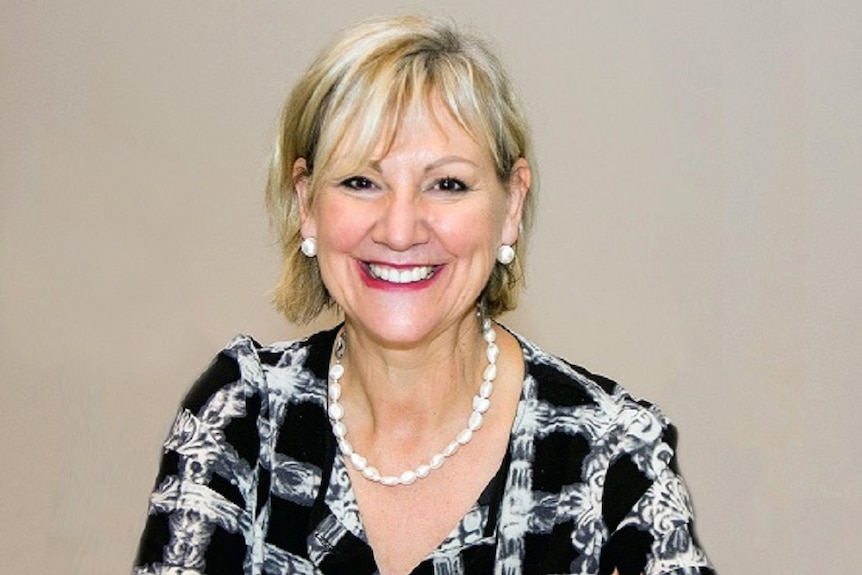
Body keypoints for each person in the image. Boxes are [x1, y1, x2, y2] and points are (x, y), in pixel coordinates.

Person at [133, 15, 715, 575]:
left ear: (510, 207)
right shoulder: (242, 415)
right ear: (307, 203)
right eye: (361, 181)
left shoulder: (610, 454)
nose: (400, 229)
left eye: (447, 184)